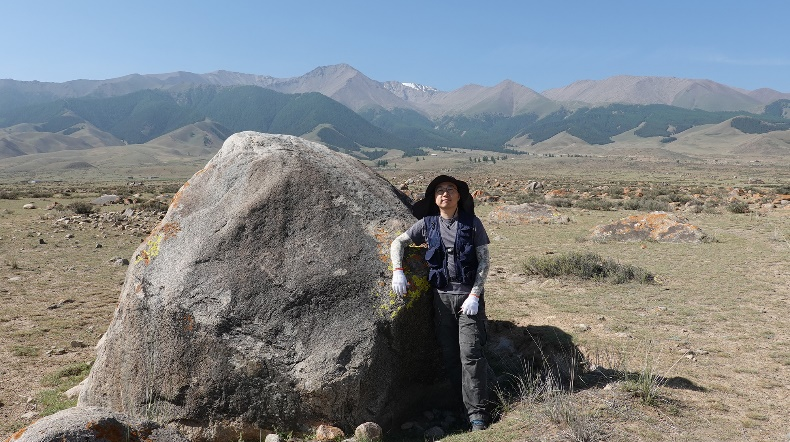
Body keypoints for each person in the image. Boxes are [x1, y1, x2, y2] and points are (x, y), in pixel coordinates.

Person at [390, 175, 491, 431]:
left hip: (468, 299)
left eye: (450, 189)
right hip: (440, 300)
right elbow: (398, 242)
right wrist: (398, 270)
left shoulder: (473, 223)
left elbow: (484, 262)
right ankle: (460, 407)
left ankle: (477, 415)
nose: (445, 193)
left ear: (459, 196)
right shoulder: (427, 224)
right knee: (450, 355)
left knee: (470, 354)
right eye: (440, 190)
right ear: (434, 199)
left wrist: (475, 295)